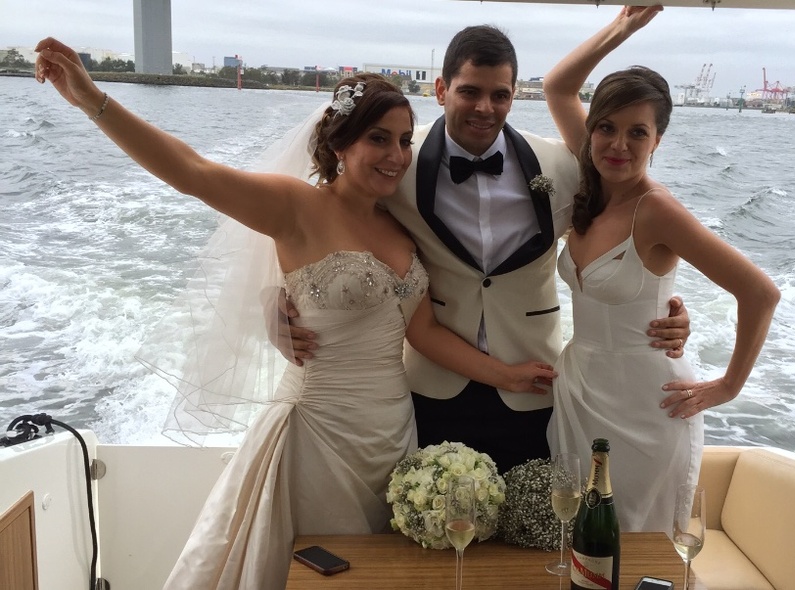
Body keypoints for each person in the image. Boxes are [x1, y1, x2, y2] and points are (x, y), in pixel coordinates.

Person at [34, 39, 556, 590]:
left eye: (404, 141)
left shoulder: (400, 227)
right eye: (378, 140)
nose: (397, 156)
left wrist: (508, 375)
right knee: (317, 571)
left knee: (380, 573)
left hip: (394, 432)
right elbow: (191, 172)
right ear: (339, 145)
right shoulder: (295, 207)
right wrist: (91, 99)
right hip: (319, 430)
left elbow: (421, 330)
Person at [279, 24, 692, 475]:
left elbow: (626, 223)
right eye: (470, 91)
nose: (484, 108)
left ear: (514, 95)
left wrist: (658, 302)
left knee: (527, 533)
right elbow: (321, 221)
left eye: (500, 95)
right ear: (441, 89)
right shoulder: (397, 163)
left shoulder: (564, 165)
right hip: (430, 383)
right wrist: (275, 308)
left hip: (535, 381)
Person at [543, 6, 780, 533]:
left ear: (658, 141)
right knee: (578, 540)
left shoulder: (656, 210)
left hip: (648, 408)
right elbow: (559, 88)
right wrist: (622, 28)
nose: (618, 145)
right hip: (581, 391)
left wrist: (728, 387)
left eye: (638, 133)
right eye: (606, 128)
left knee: (636, 550)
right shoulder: (593, 172)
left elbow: (760, 293)